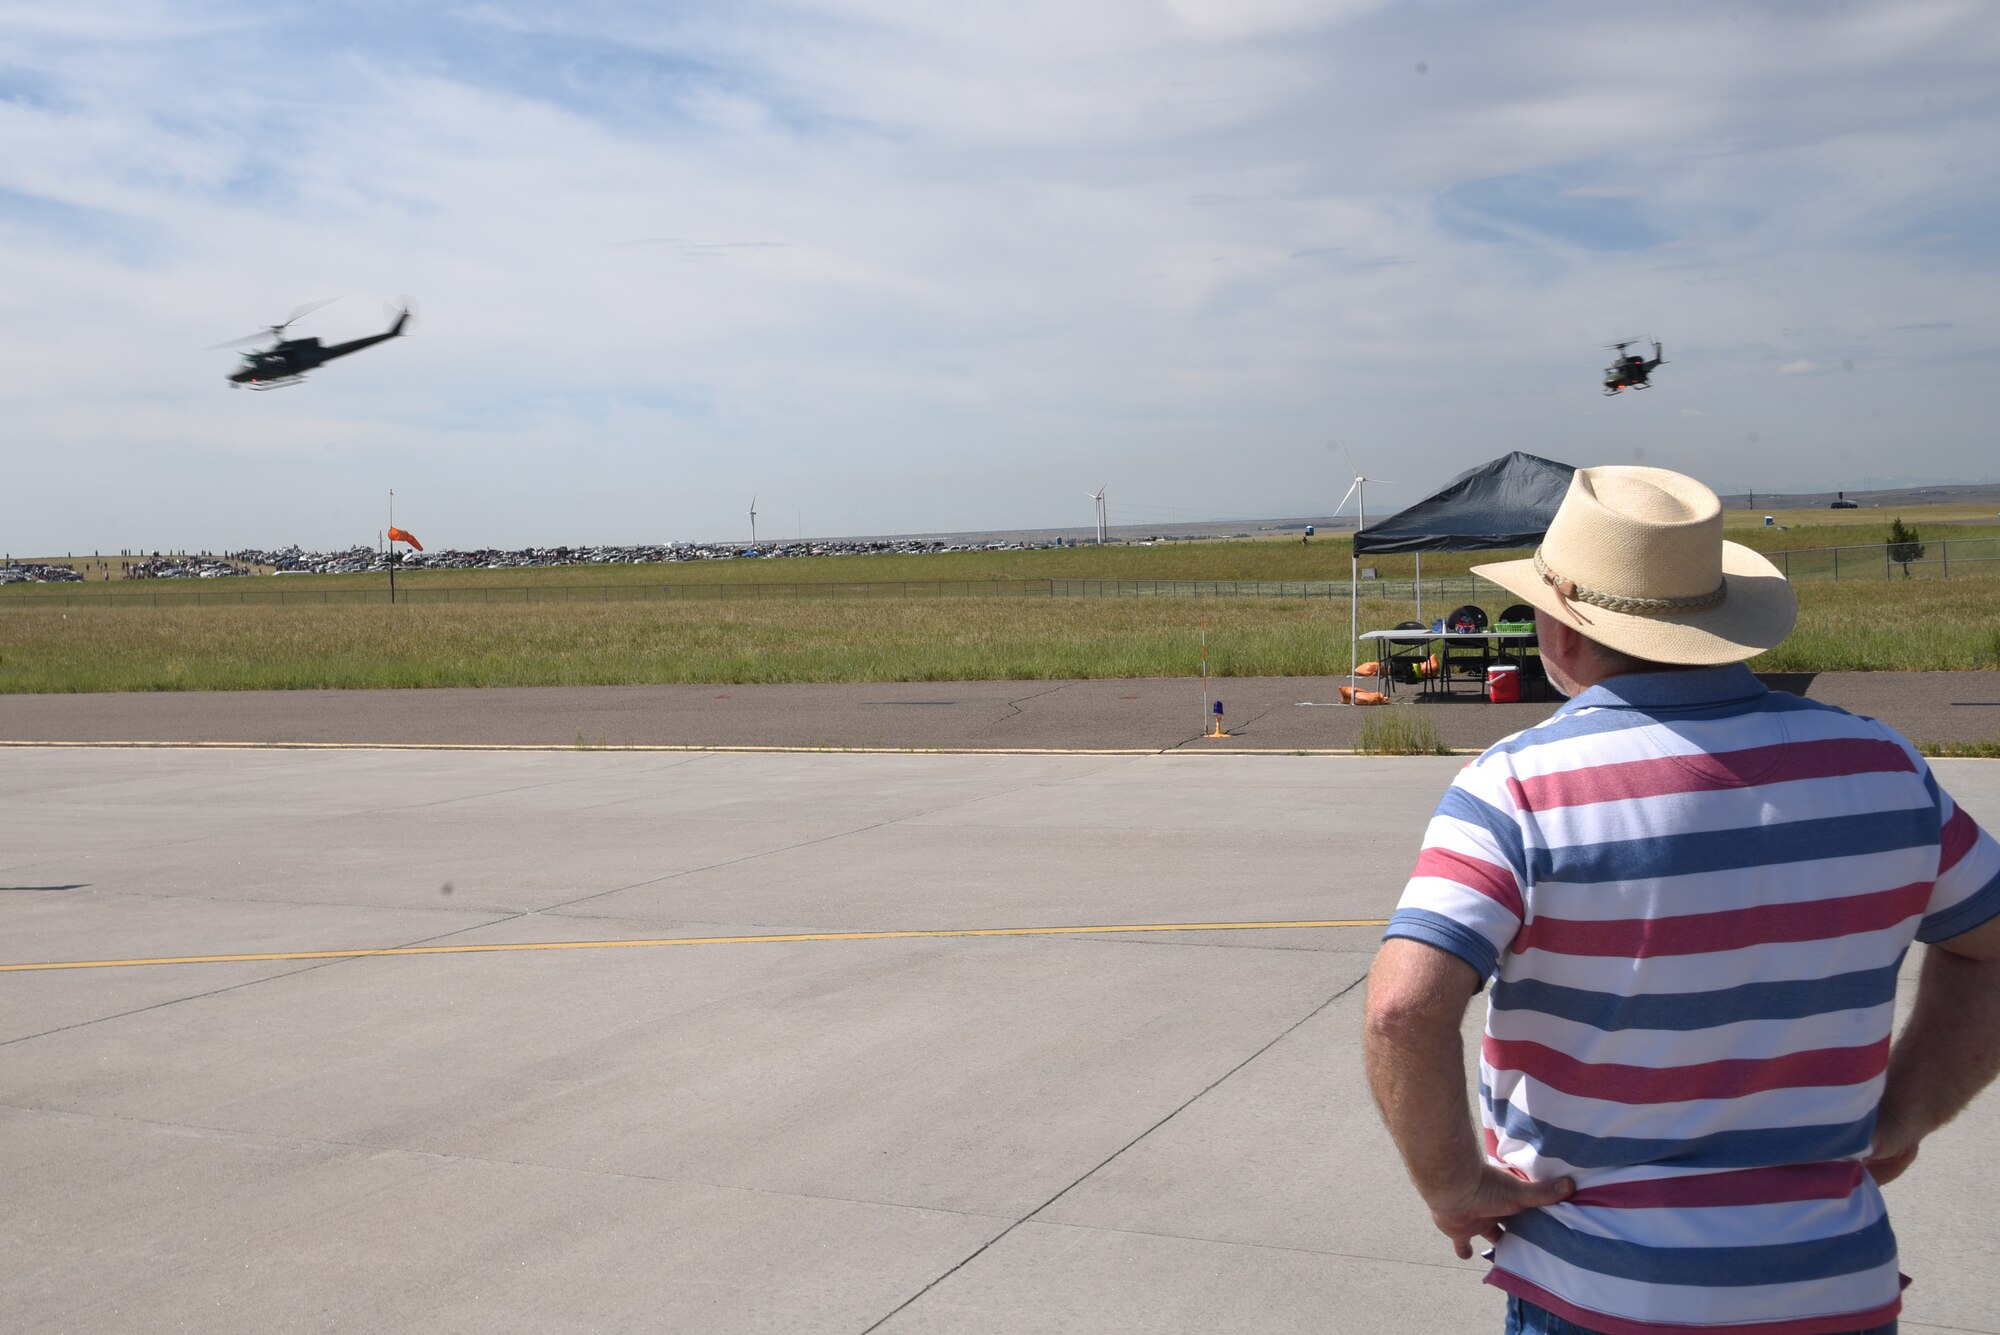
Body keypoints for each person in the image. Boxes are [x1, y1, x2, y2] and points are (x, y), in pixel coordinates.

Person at [1362, 465, 2000, 1334]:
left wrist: (1455, 1185)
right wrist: (1904, 1113)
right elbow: (1987, 946)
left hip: (1597, 1291)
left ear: (1564, 630)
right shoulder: (1883, 767)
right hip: (1833, 1285)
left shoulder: (1517, 786)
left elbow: (1402, 1009)